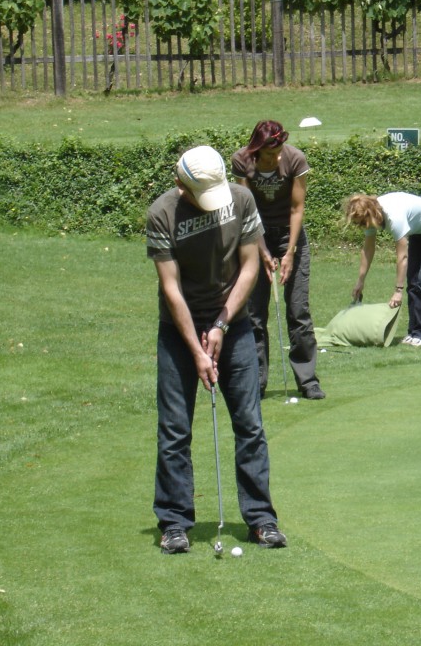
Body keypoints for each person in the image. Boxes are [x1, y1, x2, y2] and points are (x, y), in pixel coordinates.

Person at [146, 144, 287, 554]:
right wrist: (196, 347)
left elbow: (248, 267)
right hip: (178, 331)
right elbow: (170, 288)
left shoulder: (240, 200)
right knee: (174, 431)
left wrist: (222, 323)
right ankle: (174, 523)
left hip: (235, 324)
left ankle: (261, 519)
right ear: (180, 185)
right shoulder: (162, 213)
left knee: (250, 425)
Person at [230, 121, 325, 400]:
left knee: (298, 312)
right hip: (253, 235)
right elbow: (248, 211)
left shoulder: (294, 159)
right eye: (270, 155)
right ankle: (256, 383)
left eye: (279, 151)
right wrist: (262, 251)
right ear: (257, 150)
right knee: (254, 315)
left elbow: (297, 208)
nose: (276, 158)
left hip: (289, 235)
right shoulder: (242, 160)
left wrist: (289, 253)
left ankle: (307, 381)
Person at [343, 192, 421, 346]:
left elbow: (402, 257)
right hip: (419, 232)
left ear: (370, 214)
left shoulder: (394, 216)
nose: (362, 226)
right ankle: (413, 333)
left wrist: (398, 291)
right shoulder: (372, 215)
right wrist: (360, 281)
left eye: (362, 222)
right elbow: (368, 250)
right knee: (413, 281)